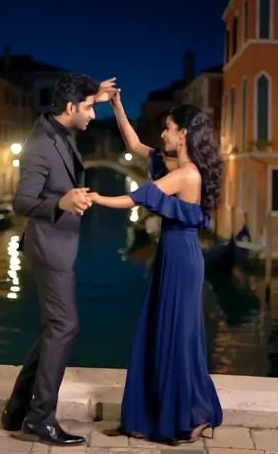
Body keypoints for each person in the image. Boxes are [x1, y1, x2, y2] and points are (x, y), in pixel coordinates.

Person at [87, 90, 224, 444]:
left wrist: (95, 197)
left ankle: (187, 416)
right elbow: (133, 145)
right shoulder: (172, 165)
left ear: (184, 135)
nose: (162, 134)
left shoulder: (187, 175)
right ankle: (150, 415)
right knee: (158, 331)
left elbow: (138, 197)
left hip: (183, 260)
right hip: (171, 254)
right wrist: (117, 105)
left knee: (177, 337)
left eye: (168, 128)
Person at [3, 73, 116, 446]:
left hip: (59, 245)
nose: (93, 115)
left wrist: (95, 95)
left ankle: (18, 408)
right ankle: (40, 418)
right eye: (87, 108)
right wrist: (62, 203)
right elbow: (21, 202)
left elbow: (77, 106)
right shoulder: (39, 145)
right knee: (65, 326)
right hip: (49, 248)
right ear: (69, 108)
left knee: (54, 325)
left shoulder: (57, 128)